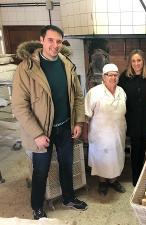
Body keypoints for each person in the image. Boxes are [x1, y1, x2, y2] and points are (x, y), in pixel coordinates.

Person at [11, 25, 88, 220]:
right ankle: (37, 207)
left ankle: (68, 198)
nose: (55, 45)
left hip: (65, 127)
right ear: (42, 40)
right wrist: (37, 134)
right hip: (42, 131)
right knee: (41, 171)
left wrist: (78, 121)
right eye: (51, 40)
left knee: (66, 165)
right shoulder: (26, 68)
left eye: (59, 41)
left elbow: (78, 96)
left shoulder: (67, 64)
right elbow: (20, 106)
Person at [84, 63, 127, 196]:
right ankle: (102, 182)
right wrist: (85, 133)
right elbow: (86, 115)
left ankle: (113, 181)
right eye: (110, 75)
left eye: (115, 75)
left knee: (116, 158)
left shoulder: (121, 91)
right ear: (103, 77)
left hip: (118, 133)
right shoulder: (94, 92)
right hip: (100, 135)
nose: (113, 78)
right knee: (101, 159)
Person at [118, 49, 146, 186]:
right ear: (130, 62)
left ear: (143, 61)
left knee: (144, 147)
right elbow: (119, 97)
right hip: (132, 118)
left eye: (139, 60)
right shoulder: (124, 77)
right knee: (135, 148)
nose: (136, 63)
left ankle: (142, 175)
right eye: (133, 61)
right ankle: (136, 179)